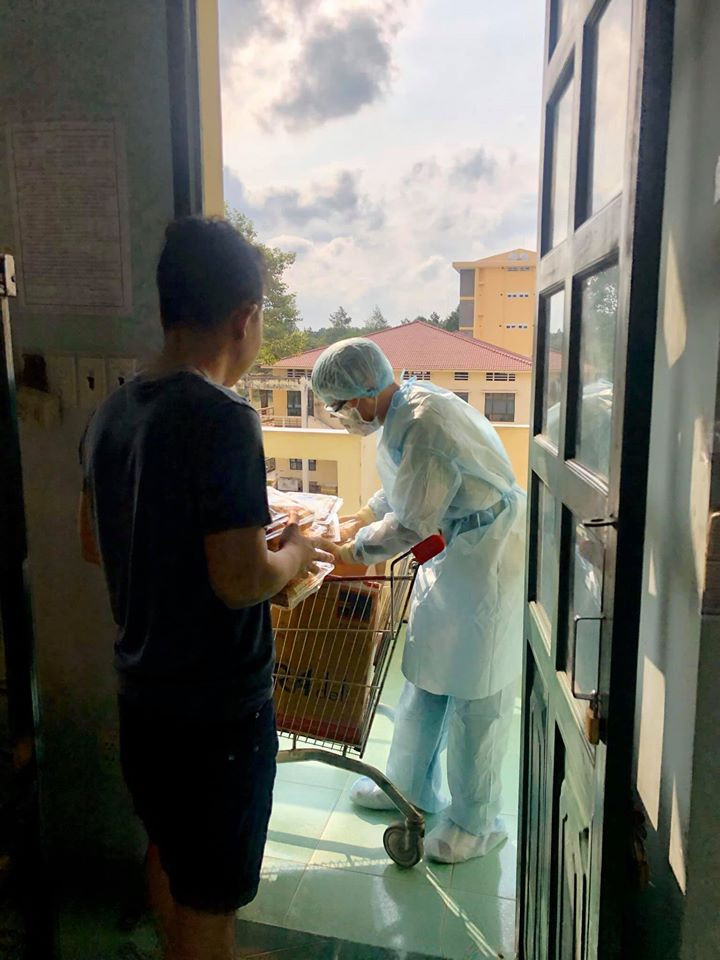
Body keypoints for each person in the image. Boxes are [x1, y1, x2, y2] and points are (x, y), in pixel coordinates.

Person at [78, 217, 331, 960]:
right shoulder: (223, 417)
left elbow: (96, 543)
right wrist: (298, 550)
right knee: (211, 897)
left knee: (168, 852)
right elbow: (241, 580)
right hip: (216, 716)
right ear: (245, 318)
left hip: (143, 700)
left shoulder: (113, 411)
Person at [312, 338, 526, 864]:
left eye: (339, 406)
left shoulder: (425, 423)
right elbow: (406, 484)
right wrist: (365, 515)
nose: (341, 416)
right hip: (454, 548)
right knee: (425, 675)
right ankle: (408, 787)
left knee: (476, 693)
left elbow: (411, 522)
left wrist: (351, 550)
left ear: (365, 392)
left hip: (488, 553)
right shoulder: (403, 409)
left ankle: (477, 822)